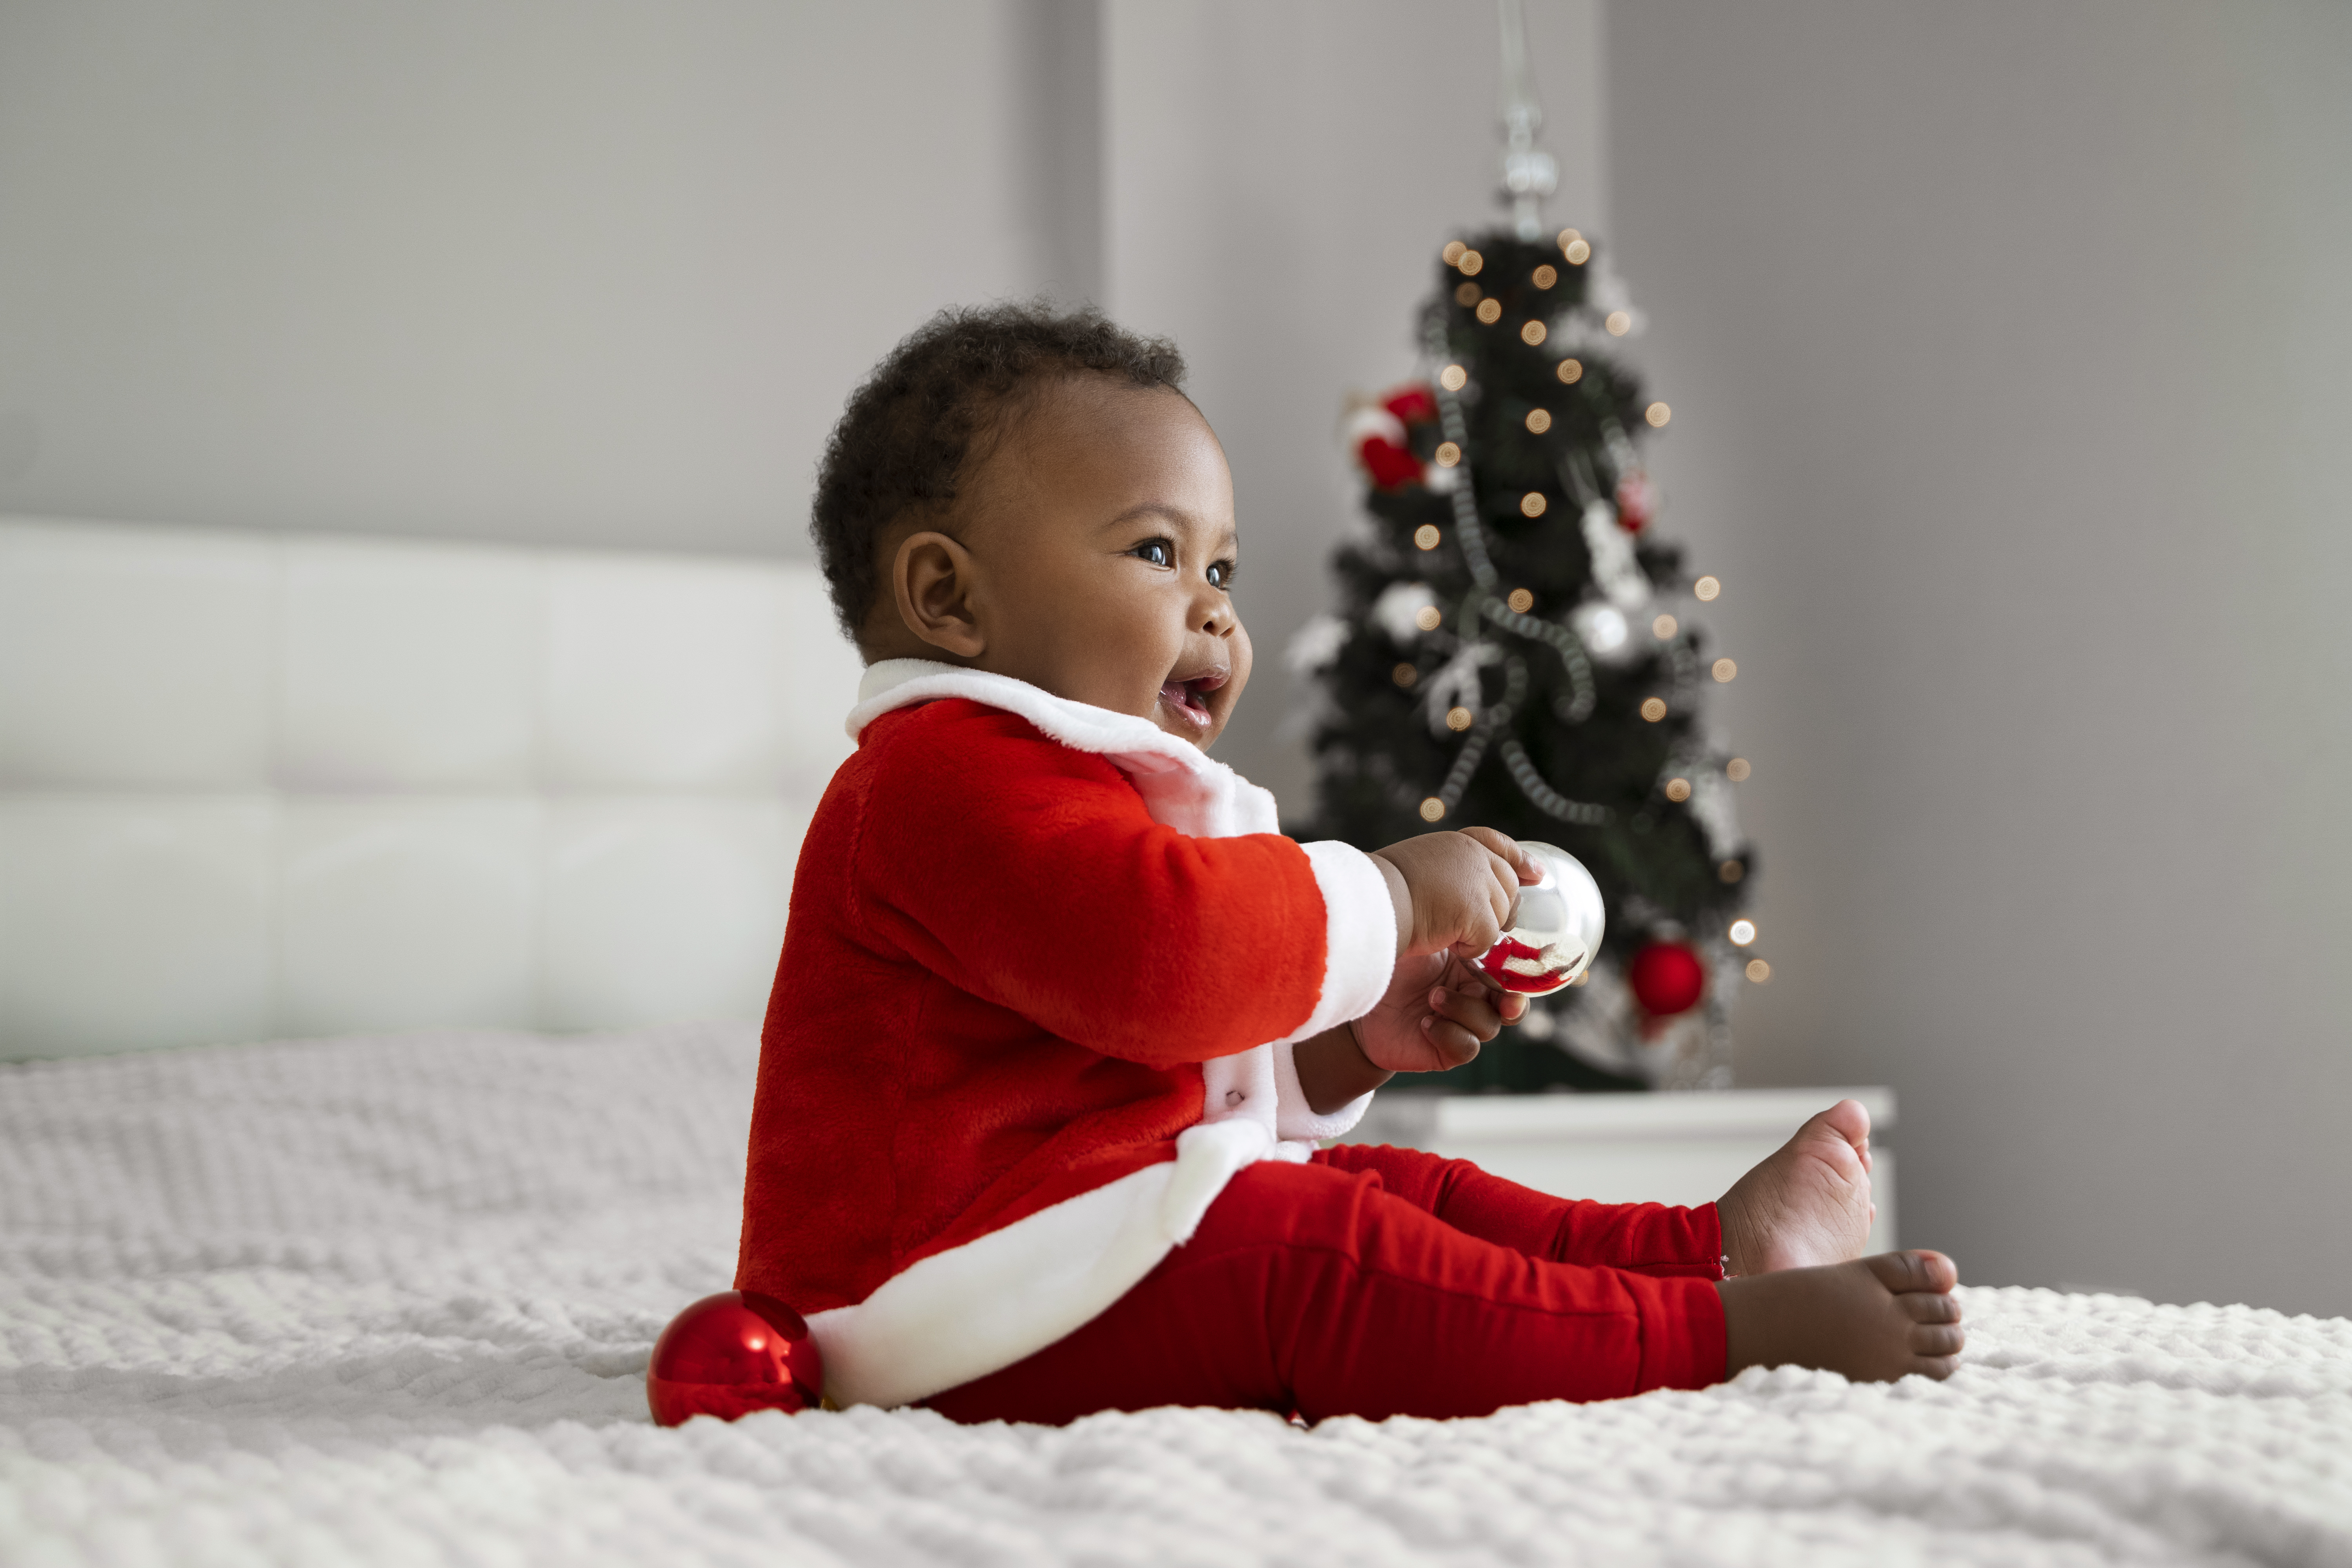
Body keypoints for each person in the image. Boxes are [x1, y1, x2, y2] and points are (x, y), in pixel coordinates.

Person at [735, 303, 1962, 1424]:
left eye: (1224, 570)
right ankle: (1717, 1336)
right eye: (1157, 553)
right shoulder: (932, 781)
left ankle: (1702, 1246)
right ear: (950, 598)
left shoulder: (1079, 787)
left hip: (1061, 1244)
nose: (1216, 611)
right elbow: (1173, 961)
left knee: (1386, 1190)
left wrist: (1351, 1043)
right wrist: (1386, 894)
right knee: (1304, 1253)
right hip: (928, 1304)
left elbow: (1158, 1060)